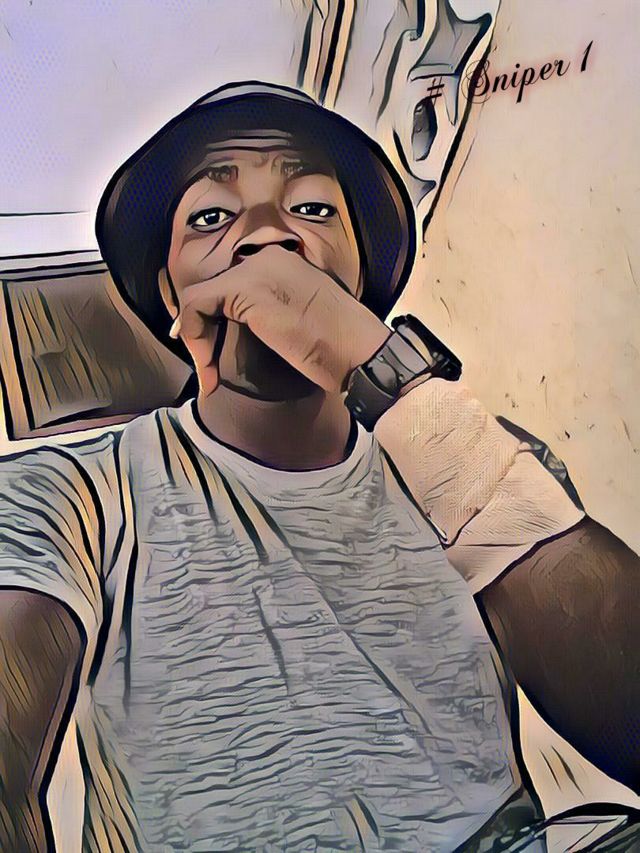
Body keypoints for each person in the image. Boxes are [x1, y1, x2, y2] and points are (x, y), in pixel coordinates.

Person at [0, 82, 637, 852]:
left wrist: (381, 370)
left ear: (361, 278)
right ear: (170, 293)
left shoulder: (465, 458)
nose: (268, 236)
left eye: (311, 207)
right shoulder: (73, 492)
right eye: (211, 216)